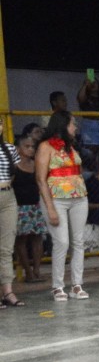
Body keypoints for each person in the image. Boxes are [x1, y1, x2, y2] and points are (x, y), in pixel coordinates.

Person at [36, 112, 90, 302]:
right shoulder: (45, 147)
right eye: (72, 124)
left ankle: (77, 284)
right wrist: (49, 207)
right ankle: (57, 286)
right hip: (56, 199)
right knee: (62, 242)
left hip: (79, 198)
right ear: (62, 125)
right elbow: (41, 179)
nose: (75, 127)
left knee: (78, 241)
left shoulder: (71, 147)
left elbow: (78, 172)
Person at [12, 133, 47, 287]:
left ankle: (37, 270)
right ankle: (28, 271)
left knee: (37, 237)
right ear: (18, 148)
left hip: (35, 205)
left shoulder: (35, 164)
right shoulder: (14, 166)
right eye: (27, 146)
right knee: (21, 240)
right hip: (19, 207)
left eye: (33, 146)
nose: (31, 149)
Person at [0, 132, 20, 308]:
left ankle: (7, 291)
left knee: (6, 248)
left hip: (8, 195)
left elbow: (14, 173)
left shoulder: (9, 148)